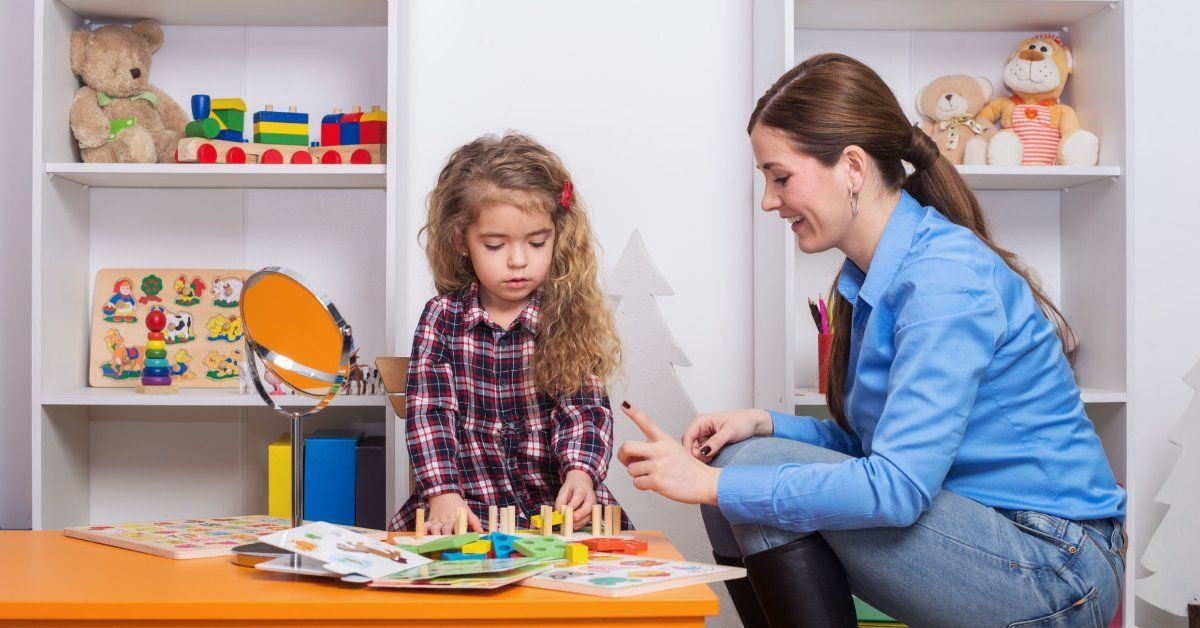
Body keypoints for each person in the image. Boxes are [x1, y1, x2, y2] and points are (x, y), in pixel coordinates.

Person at [616, 53, 1125, 628]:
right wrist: (765, 423)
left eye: (780, 177)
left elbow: (897, 488)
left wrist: (715, 481)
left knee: (739, 479)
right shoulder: (876, 277)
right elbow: (878, 448)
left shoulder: (943, 278)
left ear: (852, 167)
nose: (768, 200)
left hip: (1056, 567)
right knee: (734, 470)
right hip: (996, 538)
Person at [390, 132, 631, 535]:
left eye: (537, 243)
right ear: (461, 241)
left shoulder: (565, 315)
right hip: (468, 511)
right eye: (496, 245)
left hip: (555, 514)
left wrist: (580, 474)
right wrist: (442, 492)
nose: (519, 261)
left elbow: (584, 411)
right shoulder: (442, 318)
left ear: (557, 236)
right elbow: (429, 413)